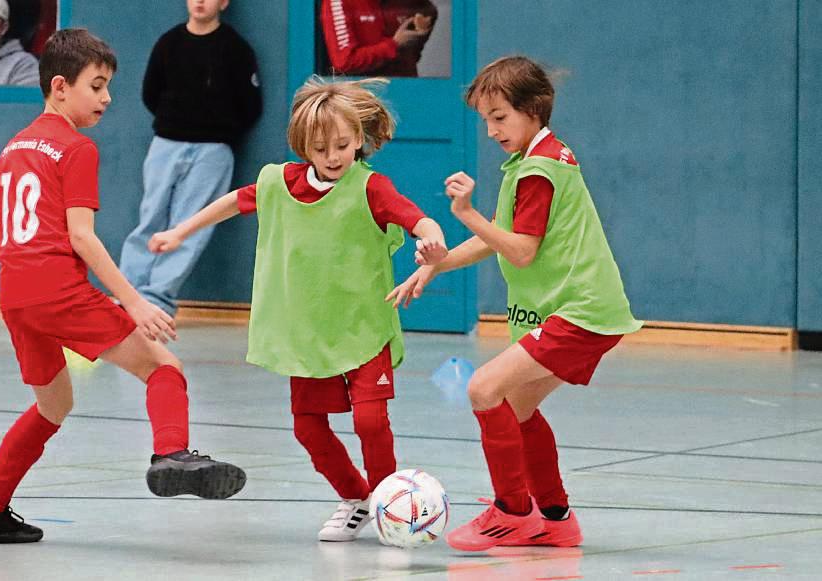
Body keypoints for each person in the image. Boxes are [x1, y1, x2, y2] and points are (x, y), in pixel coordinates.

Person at [0, 28, 246, 545]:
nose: (107, 98)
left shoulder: (16, 144)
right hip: (58, 292)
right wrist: (135, 302)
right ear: (60, 87)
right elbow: (82, 237)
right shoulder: (76, 148)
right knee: (163, 366)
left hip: (16, 296)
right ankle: (172, 453)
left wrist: (23, 268)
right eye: (98, 85)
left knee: (52, 406)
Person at [147, 77, 449, 542]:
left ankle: (392, 501)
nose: (333, 156)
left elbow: (418, 218)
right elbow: (232, 202)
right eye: (321, 147)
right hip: (306, 332)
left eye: (344, 145)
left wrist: (432, 238)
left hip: (364, 327)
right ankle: (358, 498)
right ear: (303, 146)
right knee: (308, 428)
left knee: (370, 420)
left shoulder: (372, 187)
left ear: (360, 140)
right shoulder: (279, 183)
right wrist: (180, 231)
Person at [388, 55, 643, 551]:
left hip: (581, 310)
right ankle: (555, 517)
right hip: (587, 310)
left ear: (533, 109)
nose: (490, 130)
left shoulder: (538, 169)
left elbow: (520, 252)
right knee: (516, 407)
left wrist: (465, 212)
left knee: (484, 389)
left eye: (499, 117)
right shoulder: (536, 158)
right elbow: (500, 239)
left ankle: (512, 511)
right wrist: (435, 264)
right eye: (485, 119)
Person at [118, 0, 262, 318]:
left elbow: (250, 104)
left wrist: (220, 130)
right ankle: (128, 296)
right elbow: (150, 92)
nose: (200, 1)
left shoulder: (235, 49)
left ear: (224, 3)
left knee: (190, 225)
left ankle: (156, 301)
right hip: (165, 144)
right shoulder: (169, 43)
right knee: (150, 217)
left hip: (213, 150)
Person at [320, 0, 435, 77]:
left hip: (406, 87)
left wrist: (413, 43)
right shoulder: (339, 2)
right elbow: (345, 62)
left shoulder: (414, 4)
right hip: (362, 97)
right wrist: (394, 45)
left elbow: (430, 11)